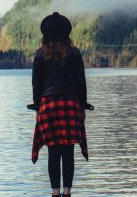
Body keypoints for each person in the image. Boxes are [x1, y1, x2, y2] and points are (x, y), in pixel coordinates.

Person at [31, 12, 88, 197]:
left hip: (48, 106)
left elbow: (36, 84)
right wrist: (82, 107)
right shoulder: (74, 53)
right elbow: (81, 82)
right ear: (66, 33)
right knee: (68, 151)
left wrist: (38, 108)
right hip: (71, 104)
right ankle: (67, 192)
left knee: (53, 152)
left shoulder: (41, 54)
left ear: (45, 34)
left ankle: (55, 193)